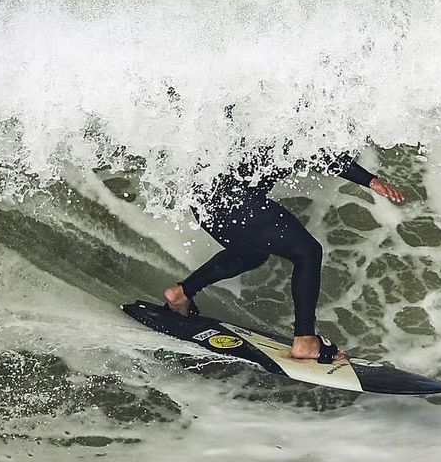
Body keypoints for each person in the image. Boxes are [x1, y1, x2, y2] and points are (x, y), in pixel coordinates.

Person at [163, 143, 405, 362]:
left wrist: (370, 180)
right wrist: (370, 180)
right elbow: (317, 150)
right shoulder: (291, 109)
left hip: (204, 196)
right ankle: (305, 341)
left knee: (250, 254)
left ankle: (181, 293)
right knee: (308, 252)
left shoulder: (268, 105)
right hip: (234, 198)